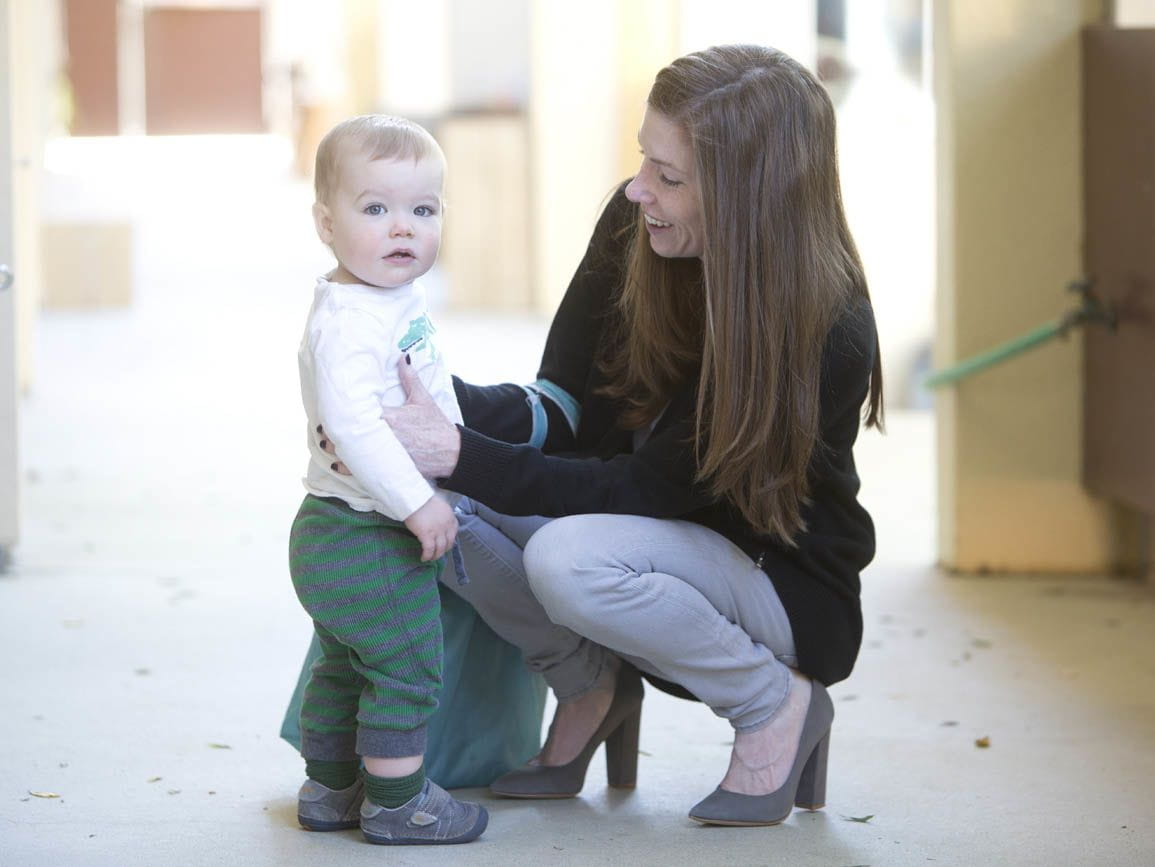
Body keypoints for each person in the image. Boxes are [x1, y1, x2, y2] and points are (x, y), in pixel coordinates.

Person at [333, 43, 882, 827]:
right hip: (642, 537)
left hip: (776, 580)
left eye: (669, 176)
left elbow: (647, 490)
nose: (637, 188)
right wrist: (410, 402)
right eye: (642, 158)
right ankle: (588, 681)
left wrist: (458, 449)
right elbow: (567, 408)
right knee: (419, 498)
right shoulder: (634, 226)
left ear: (746, 196)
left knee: (569, 558)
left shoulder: (824, 322)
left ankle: (772, 701)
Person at [288, 114, 487, 846]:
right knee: (406, 665)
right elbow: (356, 427)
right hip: (366, 530)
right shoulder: (349, 323)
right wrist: (419, 504)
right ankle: (398, 804)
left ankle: (329, 787)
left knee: (346, 666)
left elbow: (424, 392)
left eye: (422, 210)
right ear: (326, 223)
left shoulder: (385, 299)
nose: (403, 227)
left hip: (337, 528)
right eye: (375, 208)